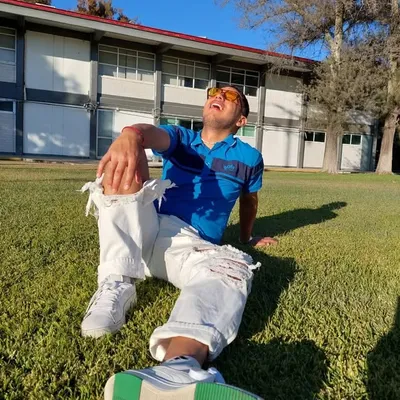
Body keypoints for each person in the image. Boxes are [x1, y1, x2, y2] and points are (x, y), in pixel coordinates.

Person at [80, 86, 277, 399]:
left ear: (241, 120)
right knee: (125, 162)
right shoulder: (182, 138)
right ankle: (116, 283)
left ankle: (178, 367)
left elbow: (249, 199)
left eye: (230, 97)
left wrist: (247, 237)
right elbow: (153, 135)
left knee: (233, 267)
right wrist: (132, 134)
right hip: (145, 226)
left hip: (187, 245)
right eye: (215, 91)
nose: (219, 96)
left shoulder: (249, 158)